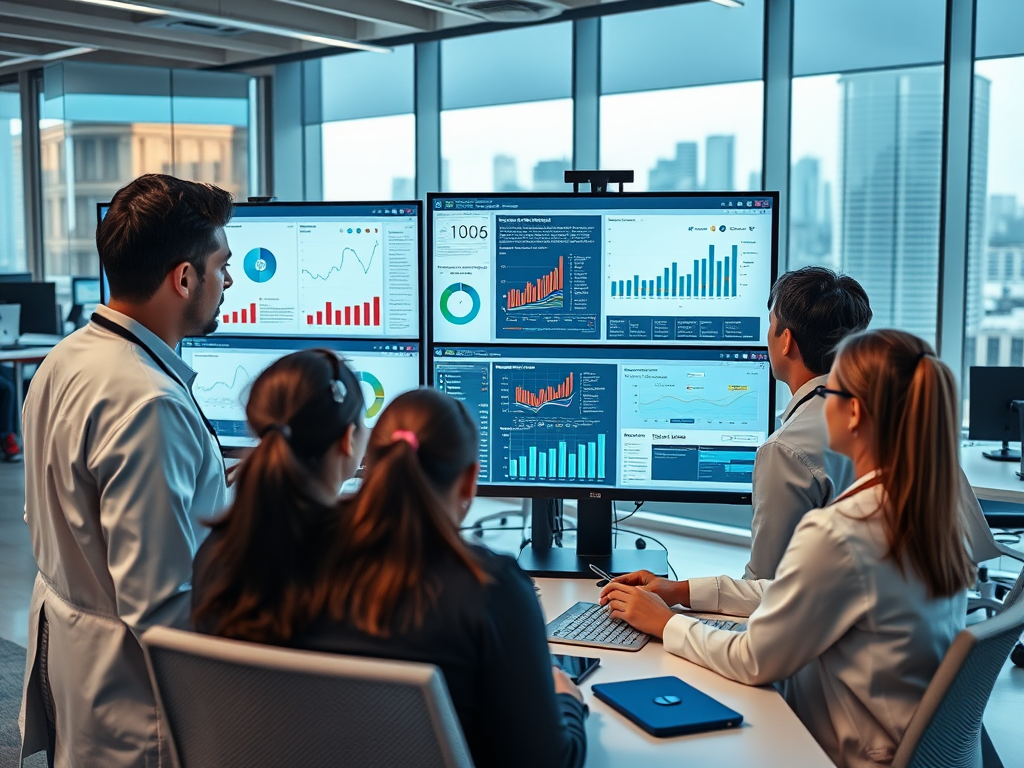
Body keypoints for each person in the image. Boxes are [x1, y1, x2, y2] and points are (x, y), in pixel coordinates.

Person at [600, 329, 974, 768]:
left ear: (853, 413)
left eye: (829, 390)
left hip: (844, 752)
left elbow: (755, 659)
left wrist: (666, 625)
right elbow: (800, 590)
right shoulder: (927, 508)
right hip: (900, 737)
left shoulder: (843, 531)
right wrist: (680, 592)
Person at [192, 367, 588, 768]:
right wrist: (567, 701)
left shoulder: (226, 561)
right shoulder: (486, 588)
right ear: (469, 481)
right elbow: (549, 761)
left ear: (370, 466)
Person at [20, 174, 234, 768]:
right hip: (141, 705)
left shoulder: (68, 357)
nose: (229, 281)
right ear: (183, 278)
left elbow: (86, 503)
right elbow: (160, 604)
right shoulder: (148, 403)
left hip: (81, 666)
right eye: (222, 266)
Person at [745, 266, 872, 579]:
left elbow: (769, 586)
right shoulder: (902, 409)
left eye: (771, 323)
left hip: (834, 622)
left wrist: (672, 615)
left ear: (786, 341)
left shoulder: (787, 449)